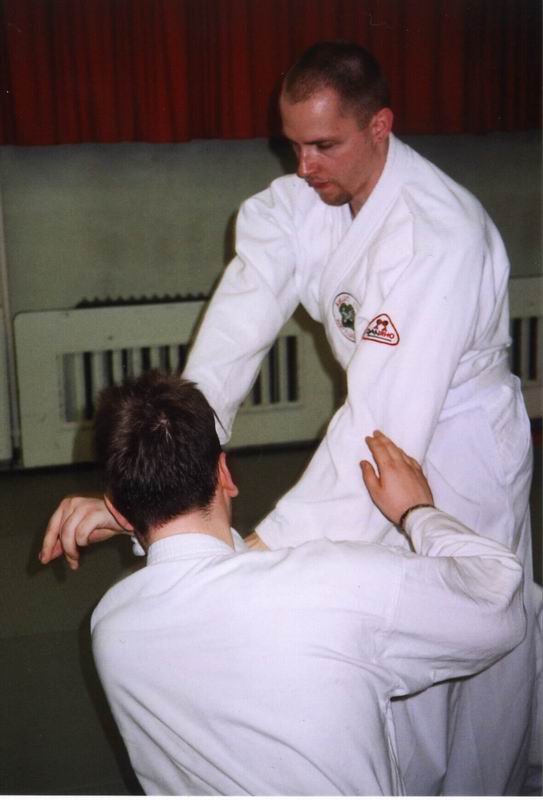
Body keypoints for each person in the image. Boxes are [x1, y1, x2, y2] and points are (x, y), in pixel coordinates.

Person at [41, 42, 539, 794]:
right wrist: (160, 489)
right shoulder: (298, 206)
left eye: (323, 146)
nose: (303, 166)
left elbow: (380, 427)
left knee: (468, 663)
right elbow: (228, 346)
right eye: (292, 145)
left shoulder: (436, 235)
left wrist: (249, 553)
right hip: (384, 431)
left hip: (459, 453)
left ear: (379, 126)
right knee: (370, 661)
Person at [90, 371, 525, 796]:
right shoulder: (330, 585)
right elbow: (498, 606)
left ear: (119, 512)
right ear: (225, 474)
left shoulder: (110, 626)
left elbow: (193, 574)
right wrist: (417, 513)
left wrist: (134, 520)